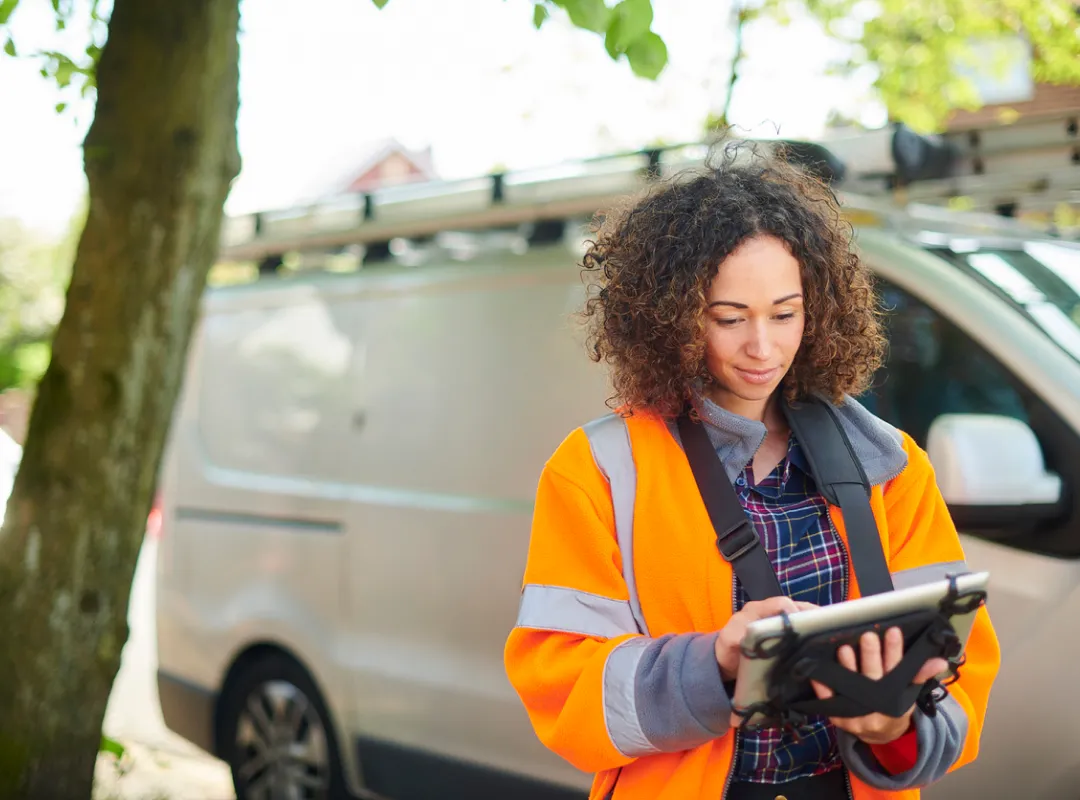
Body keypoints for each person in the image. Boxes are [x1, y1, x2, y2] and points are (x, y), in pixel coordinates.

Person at [503, 142, 1000, 800]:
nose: (763, 348)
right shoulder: (595, 469)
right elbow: (560, 687)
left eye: (785, 314)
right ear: (670, 318)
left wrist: (896, 727)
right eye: (729, 319)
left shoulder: (893, 466)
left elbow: (964, 673)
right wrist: (711, 665)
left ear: (818, 310)